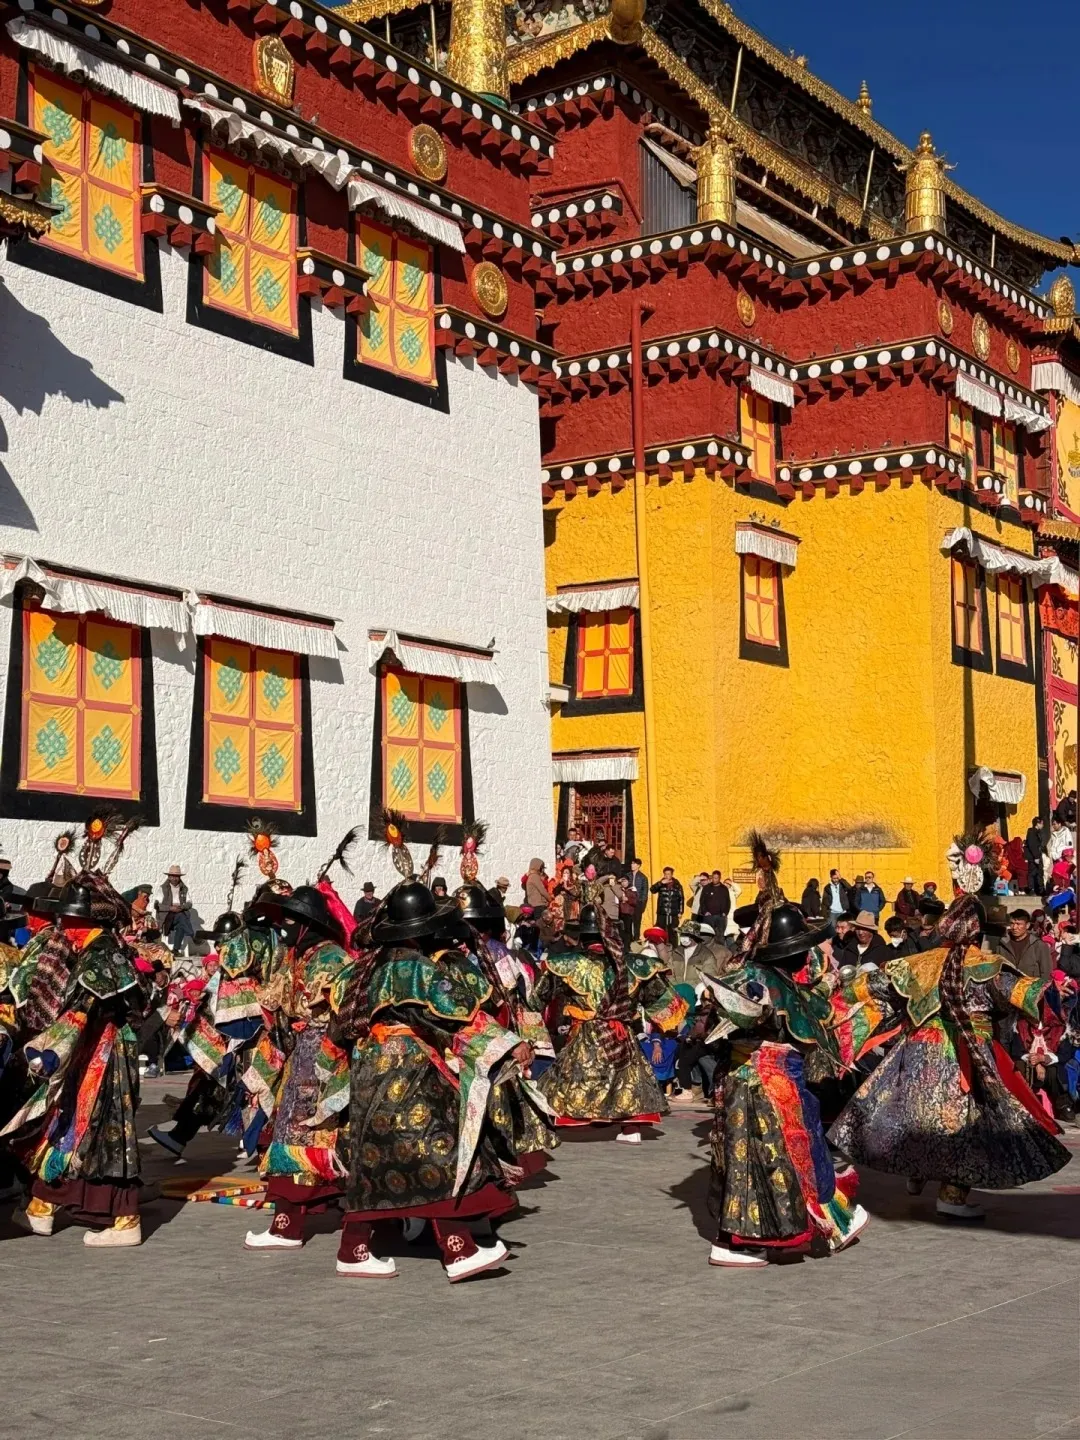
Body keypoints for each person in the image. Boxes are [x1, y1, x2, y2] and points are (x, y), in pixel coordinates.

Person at [829, 861, 1072, 1221]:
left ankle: (917, 1171)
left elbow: (868, 989)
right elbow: (1024, 993)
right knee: (963, 1125)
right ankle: (952, 1195)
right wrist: (1052, 991)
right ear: (977, 932)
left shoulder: (919, 963)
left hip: (915, 1054)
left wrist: (830, 1000)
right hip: (964, 1056)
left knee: (912, 1115)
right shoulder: (986, 966)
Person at [336, 868, 534, 1283]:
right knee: (437, 1149)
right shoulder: (413, 968)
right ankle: (458, 1248)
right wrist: (508, 1043)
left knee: (378, 1158)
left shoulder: (362, 970)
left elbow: (339, 1030)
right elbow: (455, 1017)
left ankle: (353, 1250)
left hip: (372, 1071)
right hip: (409, 1073)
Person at [703, 847, 868, 1268]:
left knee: (773, 1153)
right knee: (762, 1155)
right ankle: (744, 1239)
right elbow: (725, 1010)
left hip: (772, 1079)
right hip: (759, 1081)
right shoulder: (755, 978)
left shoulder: (783, 981)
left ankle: (762, 1231)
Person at [243, 885, 353, 1251]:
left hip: (323, 1054)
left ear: (307, 924)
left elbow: (342, 1009)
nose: (284, 926)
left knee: (302, 1135)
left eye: (290, 920)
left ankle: (286, 1227)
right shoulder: (297, 956)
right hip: (300, 1051)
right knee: (299, 1132)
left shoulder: (333, 958)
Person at [533, 904, 688, 1143]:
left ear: (582, 935)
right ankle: (630, 1127)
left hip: (586, 1031)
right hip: (621, 1033)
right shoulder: (635, 965)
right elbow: (662, 1000)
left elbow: (538, 998)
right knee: (626, 1076)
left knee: (577, 1075)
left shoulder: (566, 963)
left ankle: (571, 1120)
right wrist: (668, 1025)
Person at [999, 909, 1054, 983]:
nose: (1014, 927)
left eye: (1018, 924)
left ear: (1027, 925)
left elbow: (1046, 974)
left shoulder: (1039, 946)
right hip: (1007, 988)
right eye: (1012, 923)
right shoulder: (1002, 944)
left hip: (1031, 990)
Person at [156, 864, 194, 956]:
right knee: (181, 917)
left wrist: (182, 907)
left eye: (176, 876)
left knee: (181, 924)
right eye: (172, 876)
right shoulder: (163, 888)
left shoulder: (184, 889)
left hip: (179, 915)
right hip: (167, 916)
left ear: (179, 877)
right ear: (169, 877)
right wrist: (170, 908)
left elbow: (189, 903)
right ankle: (192, 934)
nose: (174, 878)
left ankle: (175, 950)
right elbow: (157, 905)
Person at [650, 867, 685, 944]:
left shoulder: (677, 885)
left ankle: (674, 948)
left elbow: (681, 899)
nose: (666, 876)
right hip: (662, 912)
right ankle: (661, 946)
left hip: (673, 912)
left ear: (672, 875)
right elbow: (652, 890)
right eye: (665, 874)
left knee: (673, 931)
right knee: (661, 930)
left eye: (668, 874)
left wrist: (680, 912)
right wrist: (660, 883)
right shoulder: (661, 884)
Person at [1023, 818, 1046, 896]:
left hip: (1037, 855)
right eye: (1041, 823)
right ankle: (1032, 889)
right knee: (1033, 873)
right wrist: (1036, 856)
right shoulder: (1032, 832)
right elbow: (1032, 844)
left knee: (1039, 873)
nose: (1043, 825)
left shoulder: (1038, 832)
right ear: (1037, 823)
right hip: (1033, 857)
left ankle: (1040, 889)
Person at [629, 858, 648, 941]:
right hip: (628, 902)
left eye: (634, 864)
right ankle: (629, 938)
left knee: (637, 921)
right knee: (628, 921)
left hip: (638, 902)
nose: (632, 865)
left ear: (638, 866)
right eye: (632, 863)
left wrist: (642, 903)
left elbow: (645, 891)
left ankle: (636, 938)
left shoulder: (643, 877)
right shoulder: (628, 875)